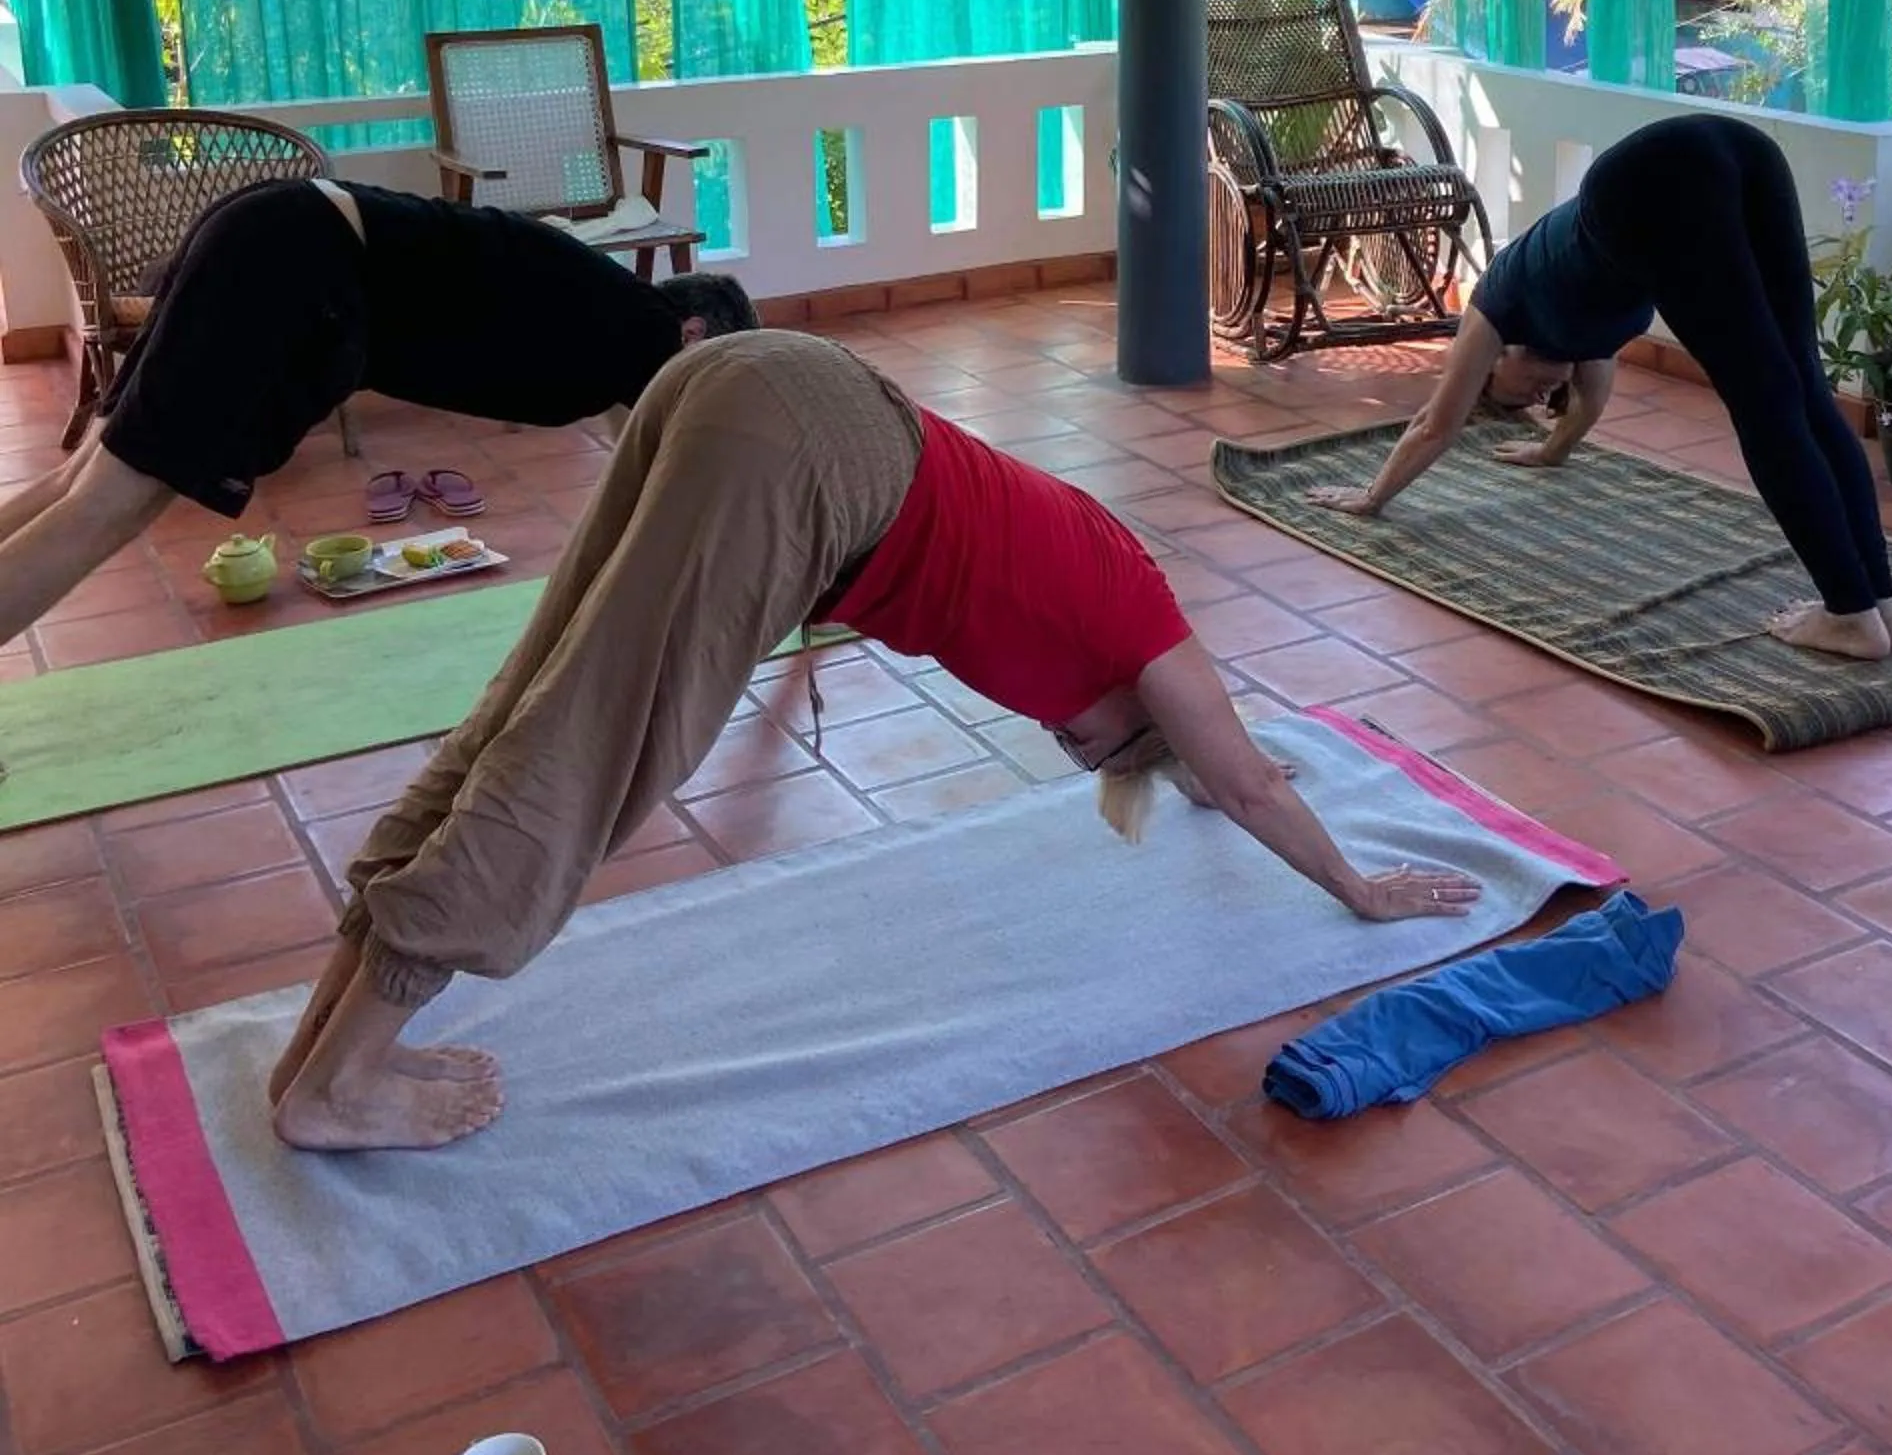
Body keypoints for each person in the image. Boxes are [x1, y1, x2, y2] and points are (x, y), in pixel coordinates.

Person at [268, 327, 1483, 1152]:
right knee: (589, 753)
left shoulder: (1120, 632)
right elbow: (1248, 780)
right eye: (1099, 751)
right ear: (1143, 726)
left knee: (533, 702)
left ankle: (329, 1051)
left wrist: (1208, 788)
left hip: (758, 379)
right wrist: (1359, 888)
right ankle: (339, 1083)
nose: (1068, 743)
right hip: (806, 451)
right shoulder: (1154, 643)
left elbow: (1222, 789)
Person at [0, 177, 756, 648]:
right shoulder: (641, 331)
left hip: (280, 233)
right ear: (694, 333)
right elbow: (675, 468)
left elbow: (645, 458)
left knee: (83, 484)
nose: (706, 387)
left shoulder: (613, 330)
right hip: (293, 254)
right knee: (112, 506)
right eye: (717, 366)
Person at [1314, 114, 1892, 662]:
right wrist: (1547, 452)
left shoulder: (1492, 310)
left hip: (1645, 186)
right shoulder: (1584, 356)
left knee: (1769, 403)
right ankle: (1881, 607)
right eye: (1545, 404)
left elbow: (1437, 423)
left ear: (1496, 365)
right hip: (1731, 150)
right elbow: (1581, 418)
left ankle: (1851, 613)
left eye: (1520, 397)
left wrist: (1373, 496)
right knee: (1798, 388)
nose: (1544, 395)